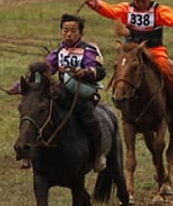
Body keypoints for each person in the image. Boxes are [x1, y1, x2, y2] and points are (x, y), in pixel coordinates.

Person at [86, 0, 173, 109]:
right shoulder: (126, 9)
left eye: (144, 0)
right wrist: (96, 5)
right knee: (121, 69)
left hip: (154, 50)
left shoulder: (159, 11)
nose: (141, 3)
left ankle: (171, 101)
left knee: (165, 69)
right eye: (137, 0)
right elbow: (111, 10)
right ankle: (118, 96)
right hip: (132, 52)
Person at [11, 13, 108, 171]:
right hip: (63, 94)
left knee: (89, 119)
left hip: (81, 94)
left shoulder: (88, 51)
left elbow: (99, 71)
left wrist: (85, 72)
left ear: (80, 33)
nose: (68, 34)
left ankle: (98, 154)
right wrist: (18, 87)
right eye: (65, 30)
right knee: (37, 113)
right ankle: (28, 152)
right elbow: (44, 70)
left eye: (73, 31)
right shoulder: (59, 52)